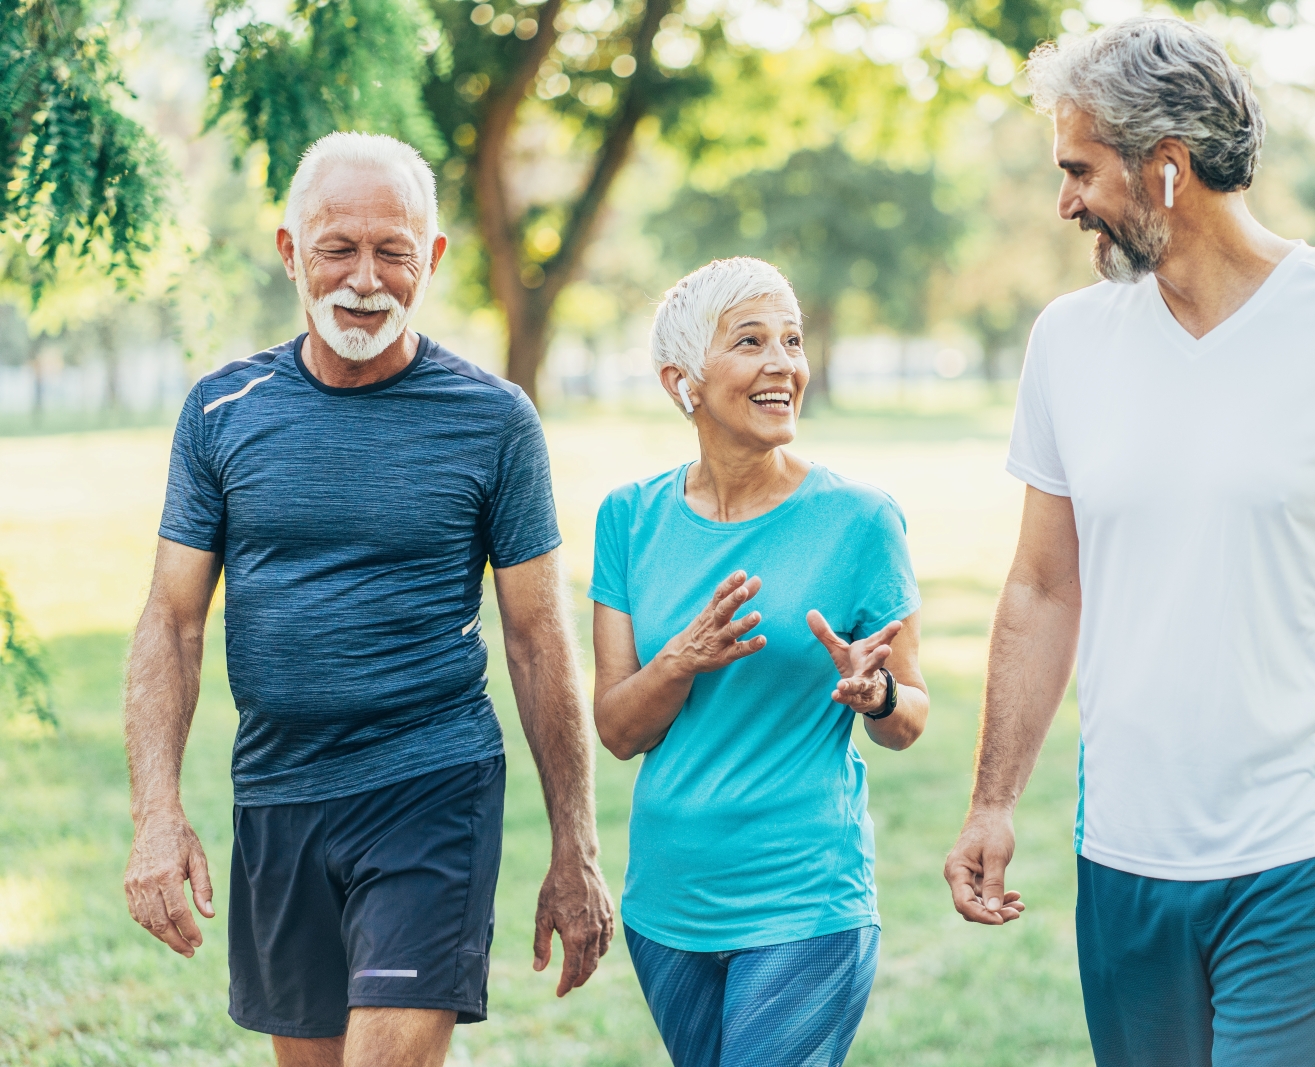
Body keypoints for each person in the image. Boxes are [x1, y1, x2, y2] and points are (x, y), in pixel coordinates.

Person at [943, 18, 1315, 1067]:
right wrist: (990, 798)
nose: (1062, 202)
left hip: (1310, 851)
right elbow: (1040, 586)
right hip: (1122, 851)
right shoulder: (1068, 342)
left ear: (1165, 168)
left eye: (1078, 169)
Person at [121, 132, 613, 1067]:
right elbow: (172, 623)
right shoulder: (221, 412)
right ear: (289, 252)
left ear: (430, 258)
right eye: (337, 248)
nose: (365, 278)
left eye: (393, 251)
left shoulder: (494, 418)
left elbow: (540, 638)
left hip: (431, 784)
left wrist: (575, 846)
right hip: (278, 791)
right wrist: (157, 815)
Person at [588, 257, 928, 1067]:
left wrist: (875, 693)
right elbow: (617, 729)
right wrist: (680, 660)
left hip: (806, 899)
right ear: (685, 381)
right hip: (668, 905)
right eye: (750, 341)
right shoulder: (628, 519)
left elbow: (910, 717)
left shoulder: (861, 521)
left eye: (793, 340)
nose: (784, 364)